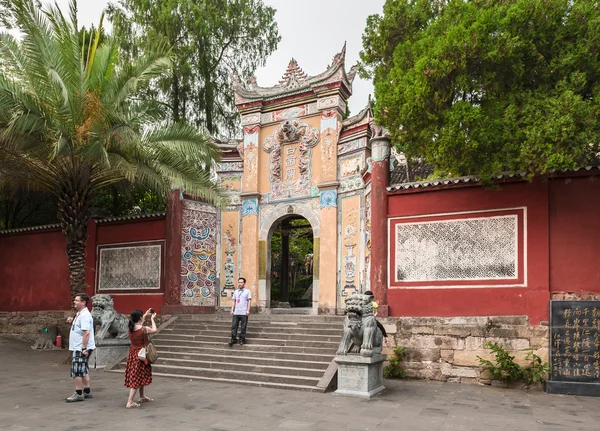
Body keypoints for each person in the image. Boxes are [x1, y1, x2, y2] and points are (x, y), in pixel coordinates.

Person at [65, 293, 96, 402]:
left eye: (77, 300)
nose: (75, 302)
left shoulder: (84, 315)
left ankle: (78, 393)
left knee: (77, 370)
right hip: (80, 346)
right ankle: (87, 391)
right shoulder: (80, 314)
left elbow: (86, 332)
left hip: (81, 347)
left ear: (83, 302)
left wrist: (83, 348)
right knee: (83, 369)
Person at [124, 308, 156, 409]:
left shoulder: (130, 328)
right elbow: (154, 330)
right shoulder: (144, 329)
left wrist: (145, 314)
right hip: (142, 355)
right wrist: (152, 319)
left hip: (133, 354)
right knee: (136, 377)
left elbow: (139, 324)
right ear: (140, 318)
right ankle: (130, 401)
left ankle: (142, 396)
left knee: (139, 375)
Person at [229, 277, 251, 346]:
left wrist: (248, 310)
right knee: (234, 326)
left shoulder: (248, 291)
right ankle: (233, 339)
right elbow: (234, 301)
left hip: (244, 312)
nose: (240, 284)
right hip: (236, 312)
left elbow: (249, 301)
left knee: (243, 327)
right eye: (239, 282)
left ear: (244, 283)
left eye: (241, 282)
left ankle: (242, 340)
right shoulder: (236, 291)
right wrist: (232, 309)